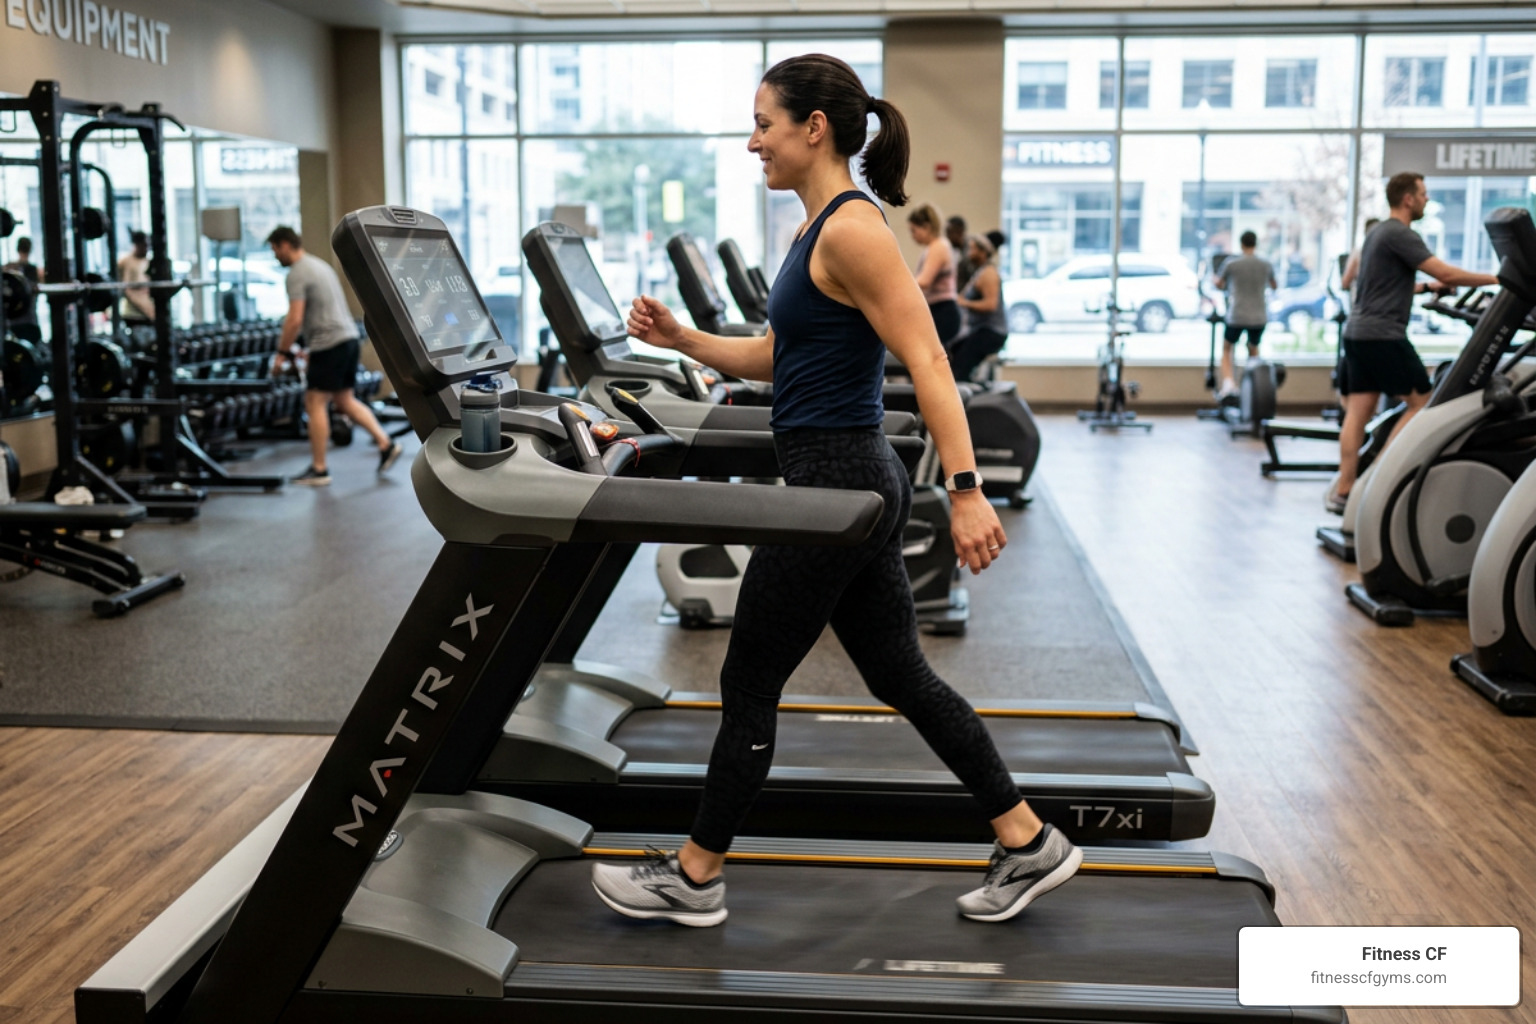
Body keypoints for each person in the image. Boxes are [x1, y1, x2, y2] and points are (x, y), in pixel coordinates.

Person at [592, 53, 1081, 929]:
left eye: (763, 124)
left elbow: (928, 357)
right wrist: (684, 339)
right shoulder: (815, 232)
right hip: (840, 478)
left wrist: (967, 489)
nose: (753, 143)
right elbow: (780, 359)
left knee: (749, 678)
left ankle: (695, 877)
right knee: (900, 673)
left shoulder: (854, 230)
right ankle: (1028, 837)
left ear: (812, 128)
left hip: (837, 486)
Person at [1328, 173, 1498, 514]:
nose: (1426, 200)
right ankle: (1380, 479)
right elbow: (1445, 273)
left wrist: (1424, 290)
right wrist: (1499, 278)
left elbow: (1381, 285)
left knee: (1358, 412)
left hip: (1358, 332)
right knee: (1422, 401)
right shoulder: (1400, 233)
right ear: (1407, 198)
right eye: (1422, 194)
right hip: (1383, 335)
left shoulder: (1376, 233)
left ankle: (1345, 488)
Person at [266, 226, 401, 485]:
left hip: (330, 344)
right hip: (347, 339)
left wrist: (282, 353)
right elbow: (319, 313)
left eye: (275, 250)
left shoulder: (296, 273)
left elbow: (294, 319)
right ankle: (386, 444)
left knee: (314, 402)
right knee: (343, 401)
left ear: (285, 244)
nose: (275, 256)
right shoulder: (319, 266)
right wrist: (307, 348)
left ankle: (319, 470)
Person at [1211, 230, 1277, 398]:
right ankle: (1253, 386)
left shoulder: (1231, 263)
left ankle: (1229, 384)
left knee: (1227, 348)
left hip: (1237, 315)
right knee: (1253, 349)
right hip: (1258, 316)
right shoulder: (1266, 264)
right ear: (1256, 244)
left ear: (1241, 244)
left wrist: (1214, 279)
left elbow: (1219, 284)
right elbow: (1274, 285)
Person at [949, 233, 1008, 382]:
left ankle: (962, 401)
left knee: (960, 367)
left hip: (992, 332)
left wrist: (964, 303)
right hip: (980, 330)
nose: (969, 253)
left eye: (973, 249)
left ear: (983, 252)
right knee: (954, 351)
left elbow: (990, 305)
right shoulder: (979, 272)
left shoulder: (989, 274)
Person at [907, 202, 961, 344]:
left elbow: (924, 281)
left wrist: (898, 287)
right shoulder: (934, 247)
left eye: (914, 230)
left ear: (927, 227)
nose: (913, 236)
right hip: (939, 310)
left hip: (943, 311)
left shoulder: (939, 246)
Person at [2, 236, 42, 343]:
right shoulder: (36, 272)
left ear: (17, 249)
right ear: (30, 250)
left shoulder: (8, 269)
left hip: (14, 324)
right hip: (25, 323)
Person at [116, 230, 153, 323]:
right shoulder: (124, 262)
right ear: (137, 244)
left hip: (148, 311)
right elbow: (124, 287)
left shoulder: (148, 261)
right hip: (132, 313)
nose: (146, 248)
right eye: (144, 245)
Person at [947, 214, 975, 289]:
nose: (947, 237)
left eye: (949, 233)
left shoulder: (972, 250)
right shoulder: (954, 249)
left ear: (960, 231)